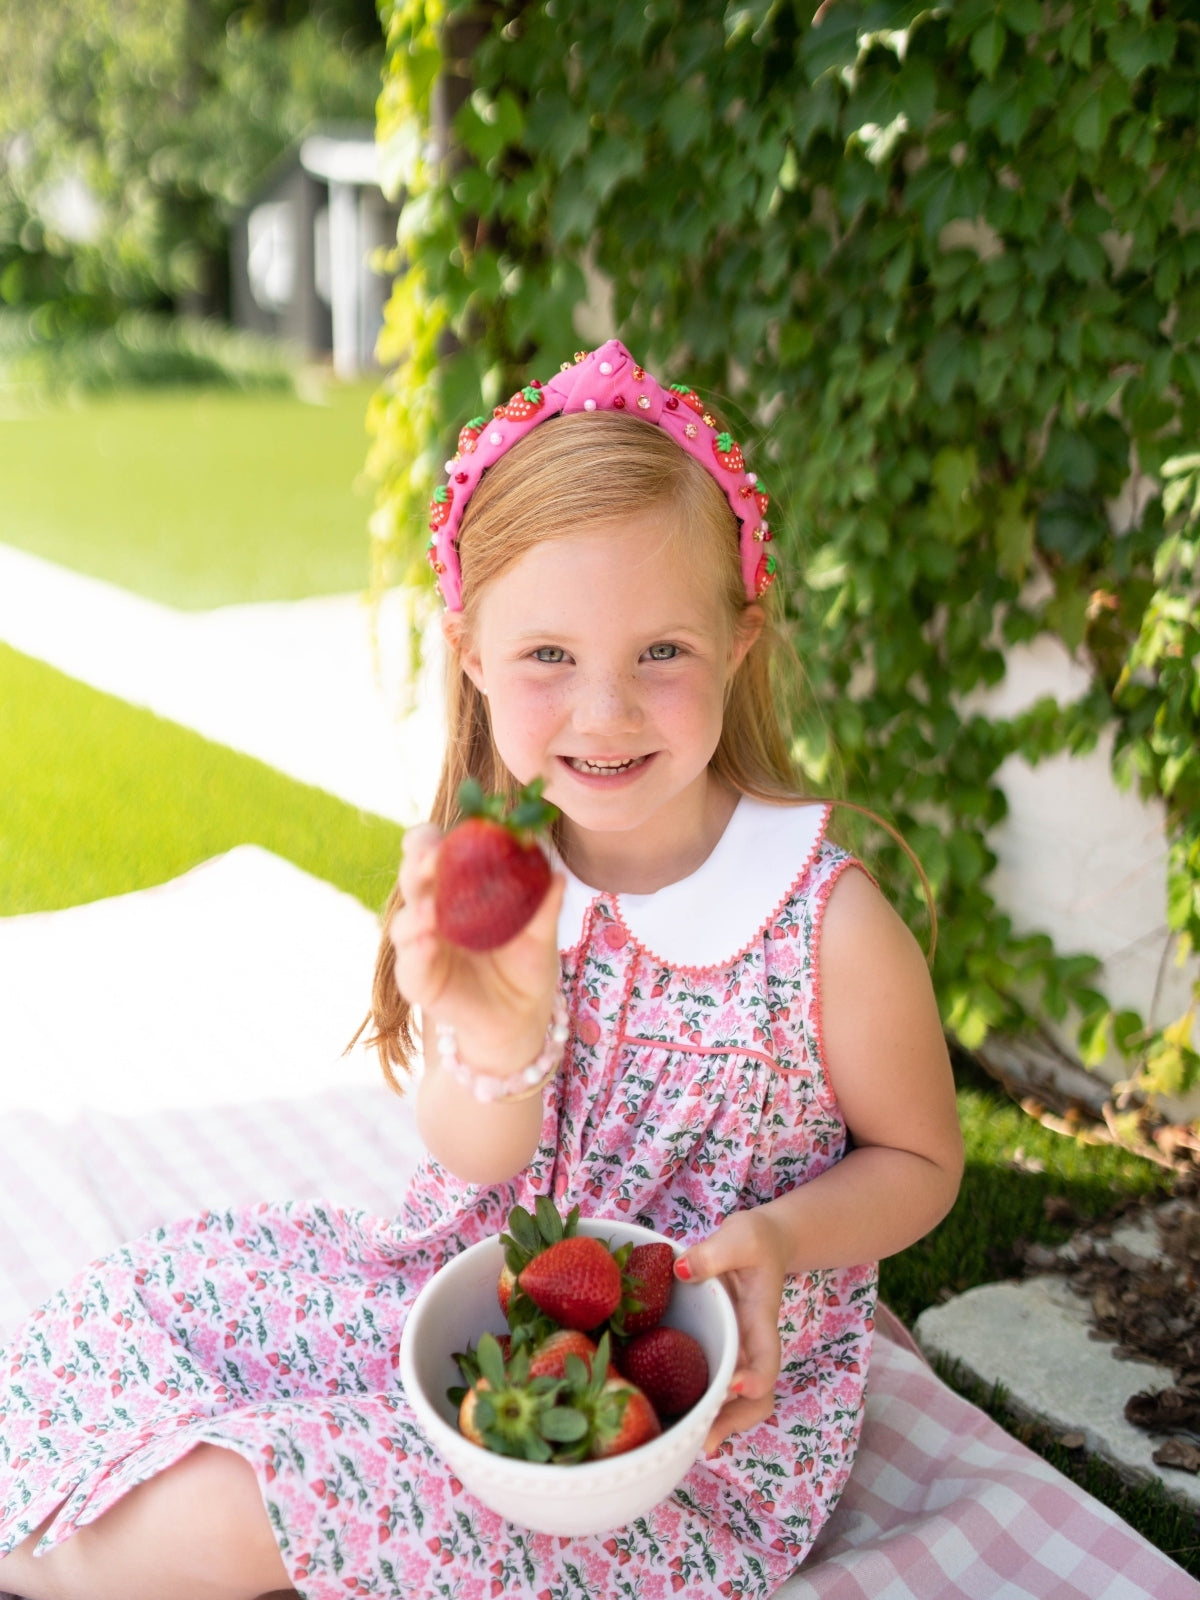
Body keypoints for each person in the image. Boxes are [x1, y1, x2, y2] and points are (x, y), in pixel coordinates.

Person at [0, 339, 963, 1600]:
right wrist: (498, 1025)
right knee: (144, 1302)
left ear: (739, 640)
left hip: (690, 1426)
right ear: (470, 650)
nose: (605, 712)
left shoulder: (824, 925)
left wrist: (784, 1233)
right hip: (478, 1313)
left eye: (660, 653)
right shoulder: (505, 882)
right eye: (548, 657)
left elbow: (922, 1161)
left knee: (236, 1508)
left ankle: (60, 1563)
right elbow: (481, 1162)